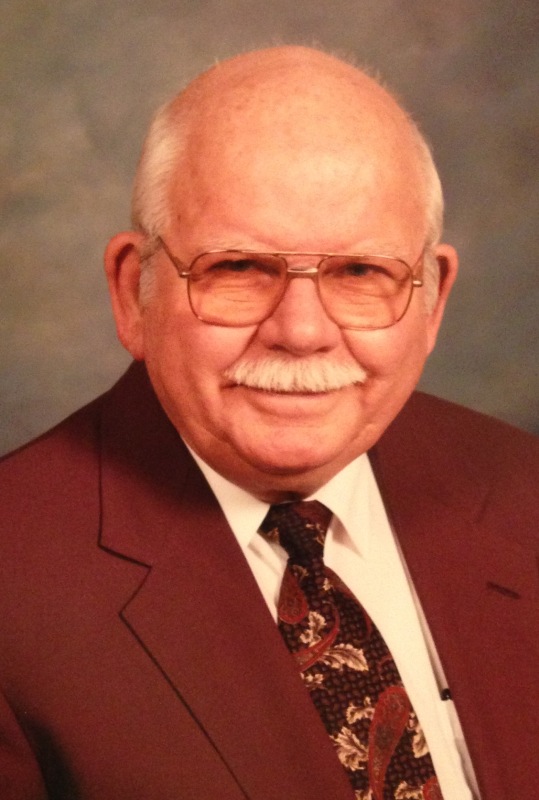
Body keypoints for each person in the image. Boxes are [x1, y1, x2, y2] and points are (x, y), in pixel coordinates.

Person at [0, 45, 537, 800]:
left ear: (430, 301)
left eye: (360, 272)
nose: (301, 332)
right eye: (239, 268)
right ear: (131, 292)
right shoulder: (16, 584)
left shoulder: (521, 489)